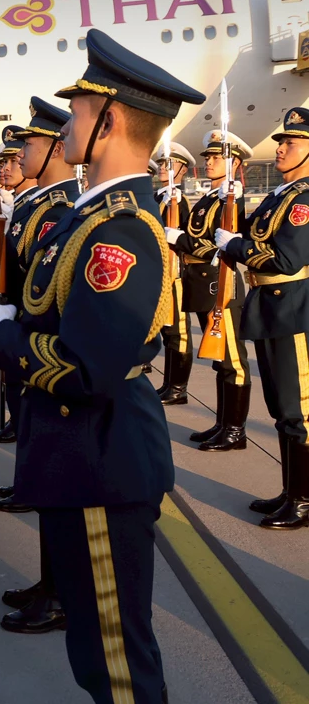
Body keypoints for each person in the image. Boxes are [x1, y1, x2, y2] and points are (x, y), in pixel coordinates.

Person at [0, 28, 203, 703]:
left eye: (77, 110)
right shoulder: (88, 215)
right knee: (97, 654)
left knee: (116, 663)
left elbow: (84, 368)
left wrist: (2, 332)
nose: (68, 121)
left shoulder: (120, 231)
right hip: (80, 457)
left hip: (101, 462)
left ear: (112, 119)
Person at [216, 107, 309, 529]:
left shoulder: (305, 199)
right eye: (281, 141)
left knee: (299, 411)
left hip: (292, 310)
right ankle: (292, 492)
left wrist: (234, 247)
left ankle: (304, 501)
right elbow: (251, 234)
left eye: (291, 142)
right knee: (280, 409)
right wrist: (226, 209)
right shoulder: (280, 195)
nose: (281, 148)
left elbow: (288, 258)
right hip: (271, 307)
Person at [0, 98, 79, 456]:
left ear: (56, 148)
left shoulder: (60, 207)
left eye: (28, 145)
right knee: (23, 409)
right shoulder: (33, 204)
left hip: (35, 330)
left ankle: (32, 479)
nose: (20, 153)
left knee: (36, 414)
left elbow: (37, 279)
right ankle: (27, 477)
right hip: (18, 326)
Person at [163, 131, 252, 452]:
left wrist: (178, 239)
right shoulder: (210, 197)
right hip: (201, 284)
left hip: (220, 283)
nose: (209, 161)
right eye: (209, 157)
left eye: (217, 157)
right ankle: (222, 423)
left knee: (233, 361)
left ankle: (235, 430)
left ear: (235, 162)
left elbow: (217, 245)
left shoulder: (230, 198)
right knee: (219, 359)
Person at [152, 143, 199, 405]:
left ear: (182, 169)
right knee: (167, 330)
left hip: (175, 273)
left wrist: (177, 205)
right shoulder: (158, 196)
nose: (162, 167)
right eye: (161, 163)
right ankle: (169, 383)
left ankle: (178, 387)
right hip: (159, 272)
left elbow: (185, 235)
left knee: (178, 330)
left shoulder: (179, 200)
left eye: (169, 164)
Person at [0, 124, 38, 198]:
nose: (5, 168)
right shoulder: (14, 200)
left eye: (13, 160)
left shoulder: (36, 202)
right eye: (5, 162)